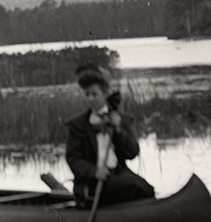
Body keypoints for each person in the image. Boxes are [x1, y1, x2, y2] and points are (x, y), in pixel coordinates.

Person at [65, 65, 155, 207]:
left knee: (147, 189)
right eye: (87, 95)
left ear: (105, 93)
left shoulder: (123, 120)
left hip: (118, 174)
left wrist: (118, 131)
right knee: (135, 189)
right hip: (93, 181)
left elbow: (132, 152)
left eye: (94, 94)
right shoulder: (78, 125)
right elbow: (73, 158)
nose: (90, 99)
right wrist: (94, 171)